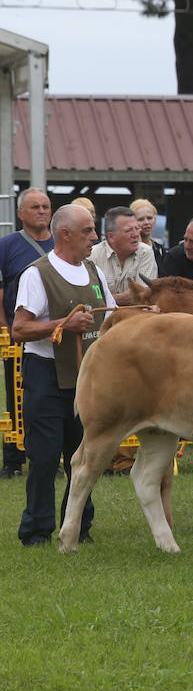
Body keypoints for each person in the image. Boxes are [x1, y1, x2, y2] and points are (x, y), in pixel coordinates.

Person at [12, 204, 115, 546]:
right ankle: (36, 531)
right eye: (87, 231)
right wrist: (62, 324)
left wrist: (148, 307)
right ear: (65, 234)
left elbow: (112, 316)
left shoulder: (94, 272)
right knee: (44, 457)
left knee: (84, 456)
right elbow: (20, 328)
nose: (95, 237)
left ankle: (79, 526)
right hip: (46, 376)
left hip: (87, 377)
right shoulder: (37, 274)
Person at [0, 188, 52, 478]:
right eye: (35, 207)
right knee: (17, 397)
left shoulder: (63, 242)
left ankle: (50, 453)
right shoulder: (6, 246)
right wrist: (6, 329)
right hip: (20, 333)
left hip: (57, 334)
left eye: (46, 206)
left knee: (51, 395)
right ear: (21, 213)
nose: (42, 211)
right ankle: (13, 459)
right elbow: (1, 292)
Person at [89, 206, 158, 306]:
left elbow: (143, 296)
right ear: (111, 237)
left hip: (135, 318)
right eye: (129, 230)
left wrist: (107, 298)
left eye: (136, 228)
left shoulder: (145, 252)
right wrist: (122, 298)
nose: (136, 235)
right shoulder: (92, 256)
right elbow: (90, 299)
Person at [129, 198, 166, 274]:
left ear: (155, 220)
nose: (146, 222)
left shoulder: (160, 250)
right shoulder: (127, 249)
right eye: (141, 219)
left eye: (149, 218)